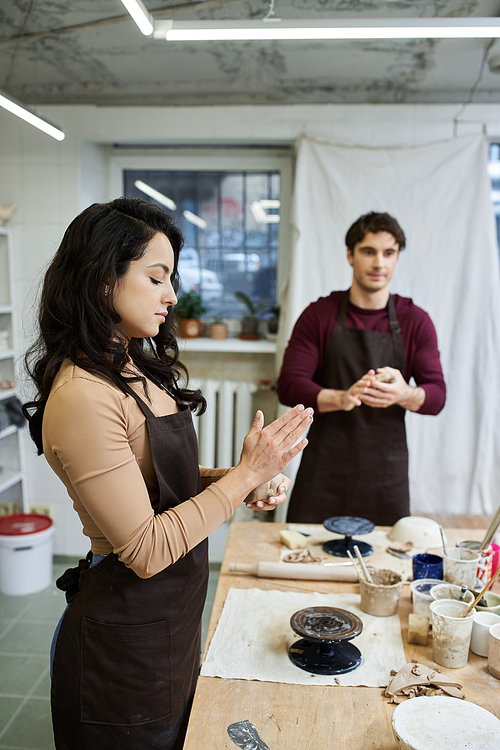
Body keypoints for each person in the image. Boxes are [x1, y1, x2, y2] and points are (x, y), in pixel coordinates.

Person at [23, 197, 313, 750]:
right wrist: (242, 476)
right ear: (102, 278)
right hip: (123, 647)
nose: (172, 295)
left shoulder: (131, 364)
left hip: (169, 627)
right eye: (156, 277)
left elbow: (155, 481)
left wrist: (239, 477)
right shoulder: (84, 394)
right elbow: (147, 549)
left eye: (172, 278)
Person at [277, 211, 446, 527]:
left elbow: (436, 396)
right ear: (350, 255)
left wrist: (403, 393)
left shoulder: (415, 321)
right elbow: (289, 384)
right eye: (369, 251)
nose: (379, 263)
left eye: (388, 253)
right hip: (324, 472)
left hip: (385, 476)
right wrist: (340, 398)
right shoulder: (319, 315)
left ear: (397, 258)